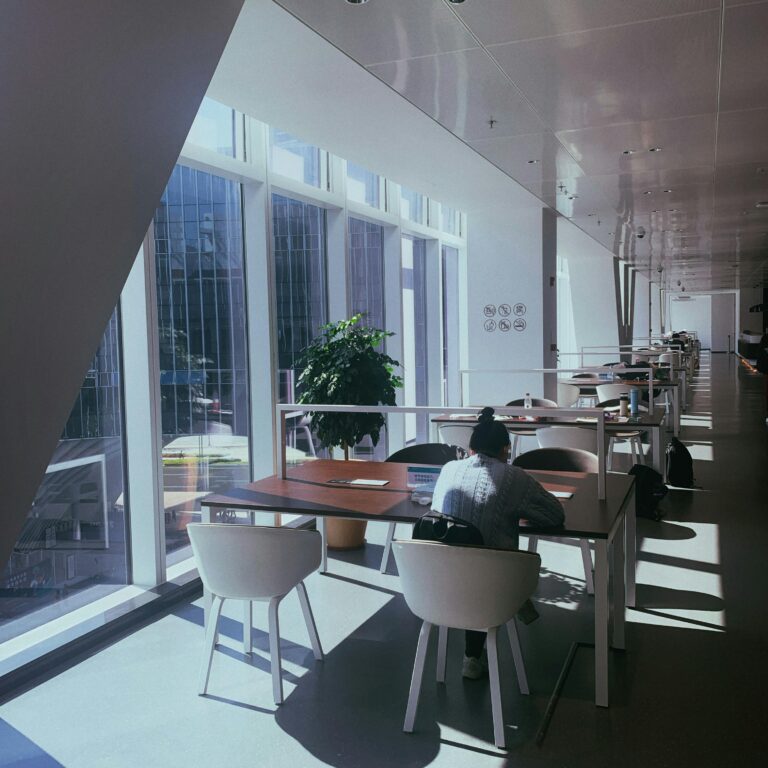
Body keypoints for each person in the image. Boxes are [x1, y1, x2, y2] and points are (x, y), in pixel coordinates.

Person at [430, 406, 566, 679]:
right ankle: (473, 655)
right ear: (506, 449)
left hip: (439, 585)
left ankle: (472, 655)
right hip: (495, 588)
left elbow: (438, 509)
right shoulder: (515, 477)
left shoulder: (448, 470)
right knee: (487, 562)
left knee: (471, 555)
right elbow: (554, 514)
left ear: (471, 448)